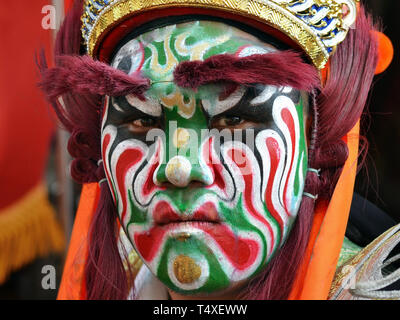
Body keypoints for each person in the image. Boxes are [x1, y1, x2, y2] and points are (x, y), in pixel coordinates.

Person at [39, 0, 399, 300]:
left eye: (235, 120)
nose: (179, 167)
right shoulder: (122, 284)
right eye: (141, 122)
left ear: (314, 137)